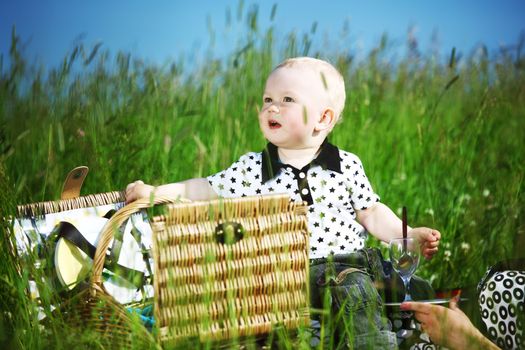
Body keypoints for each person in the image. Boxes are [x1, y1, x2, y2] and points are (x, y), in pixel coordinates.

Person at [126, 57, 441, 349]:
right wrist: (155, 191)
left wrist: (409, 234)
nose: (271, 108)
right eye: (267, 100)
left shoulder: (345, 164)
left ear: (323, 118)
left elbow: (371, 212)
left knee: (411, 290)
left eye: (287, 100)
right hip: (294, 274)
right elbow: (205, 188)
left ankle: (411, 337)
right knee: (353, 295)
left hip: (354, 263)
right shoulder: (254, 168)